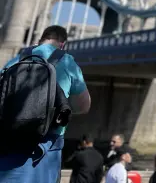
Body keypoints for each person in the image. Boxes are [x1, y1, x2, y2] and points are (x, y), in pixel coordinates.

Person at [0, 24, 91, 183]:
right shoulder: (67, 62)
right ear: (63, 44)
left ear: (39, 40)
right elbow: (83, 106)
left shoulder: (14, 62)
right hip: (45, 145)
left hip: (7, 143)